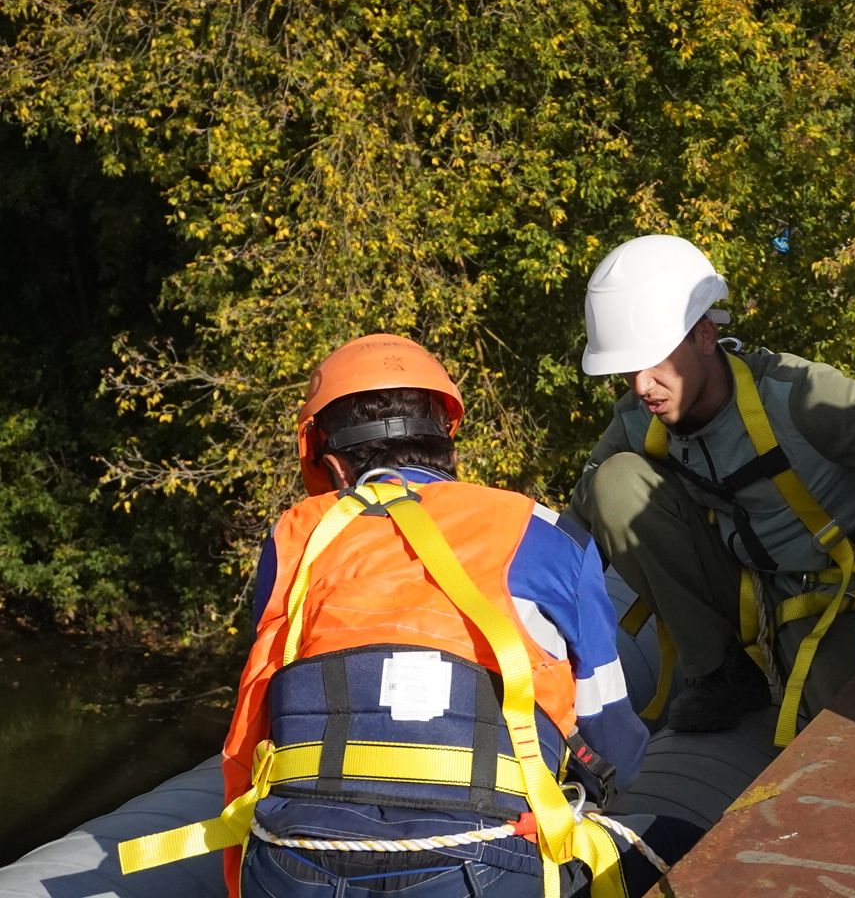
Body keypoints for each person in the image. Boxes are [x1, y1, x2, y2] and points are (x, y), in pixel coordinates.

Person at [119, 333, 678, 898]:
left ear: (333, 466)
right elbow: (614, 745)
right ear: (447, 444)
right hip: (480, 868)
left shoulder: (294, 539)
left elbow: (261, 716)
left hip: (288, 867)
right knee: (675, 840)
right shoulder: (543, 531)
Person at [565, 235, 855, 748]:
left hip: (829, 599)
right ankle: (719, 672)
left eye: (654, 361)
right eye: (628, 370)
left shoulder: (801, 397)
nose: (641, 385)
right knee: (614, 483)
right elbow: (571, 535)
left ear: (704, 335)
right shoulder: (638, 422)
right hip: (734, 594)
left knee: (854, 742)